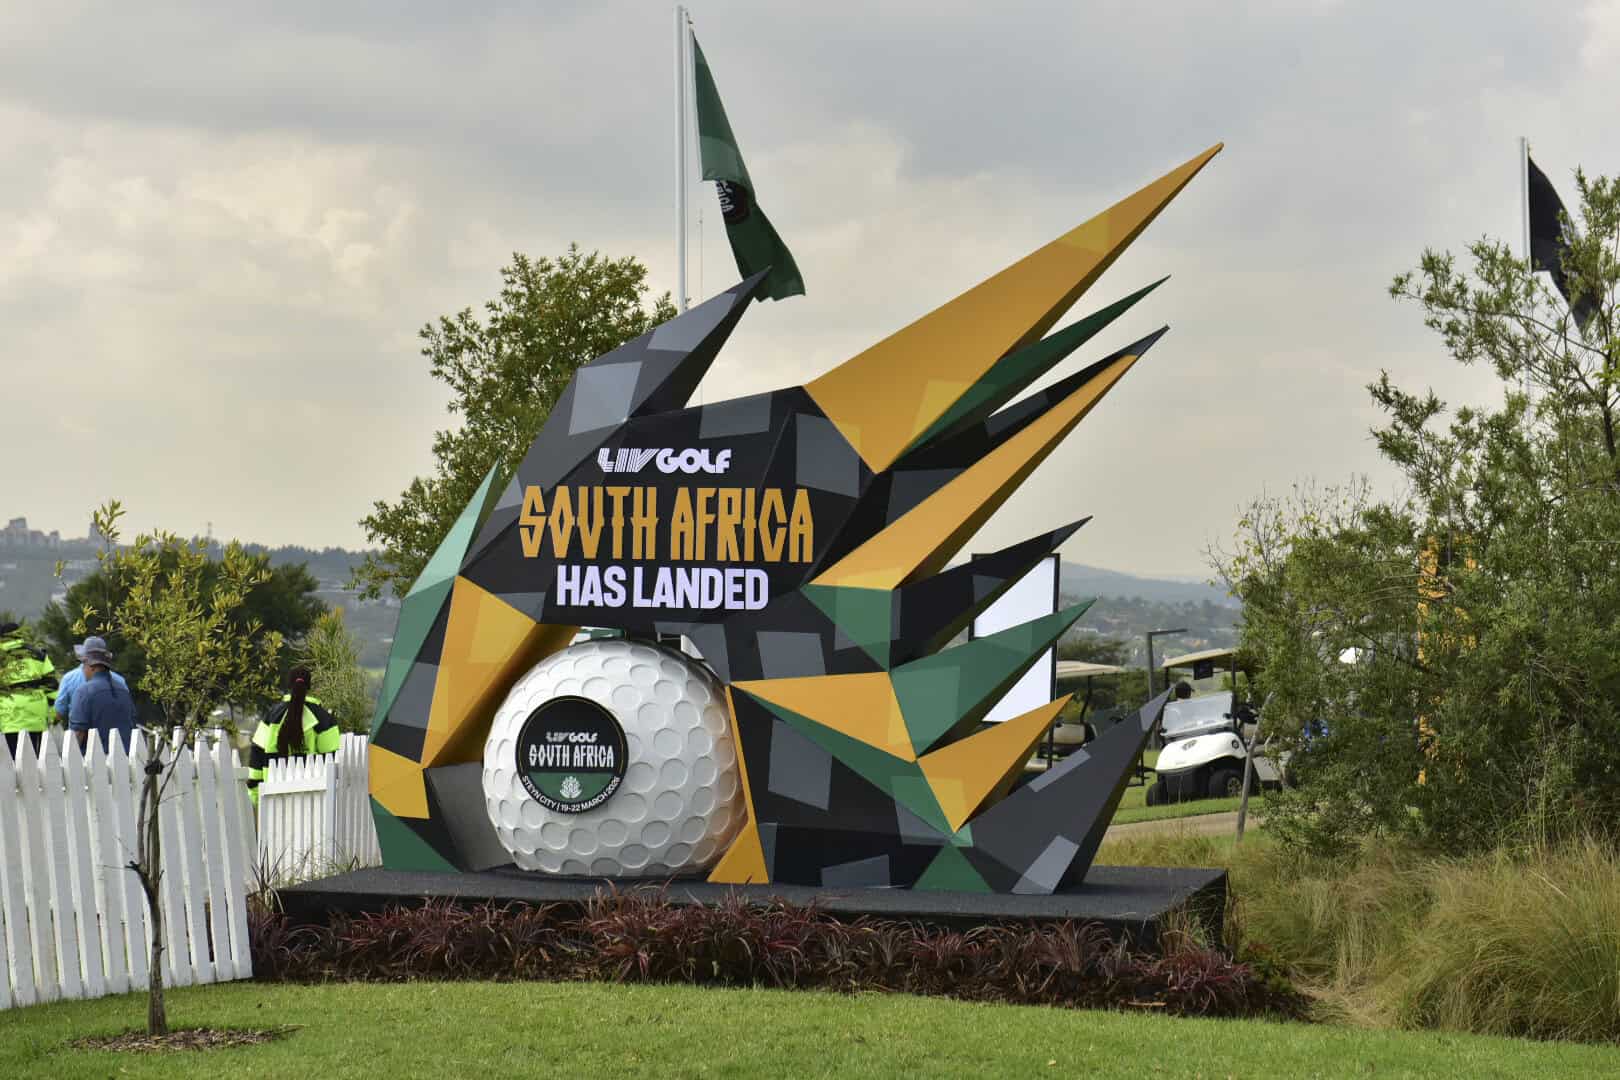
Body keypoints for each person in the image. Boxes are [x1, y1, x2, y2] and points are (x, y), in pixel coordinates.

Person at [248, 665, 341, 807]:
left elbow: (257, 752)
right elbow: (333, 757)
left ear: (289, 685)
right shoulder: (323, 718)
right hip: (314, 800)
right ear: (309, 686)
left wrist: (254, 794)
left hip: (274, 796)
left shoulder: (272, 715)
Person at [68, 635, 136, 752]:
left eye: (83, 664)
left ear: (92, 666)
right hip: (125, 761)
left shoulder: (83, 692)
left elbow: (78, 734)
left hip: (94, 764)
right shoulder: (123, 690)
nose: (83, 669)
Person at [1, 622, 57, 758]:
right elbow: (52, 687)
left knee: (11, 762)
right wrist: (52, 716)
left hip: (9, 717)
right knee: (34, 761)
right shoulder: (38, 654)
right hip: (35, 715)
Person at [54, 639, 130, 728]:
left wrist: (51, 725)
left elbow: (59, 712)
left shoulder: (69, 678)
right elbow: (127, 711)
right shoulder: (120, 681)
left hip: (78, 737)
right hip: (113, 736)